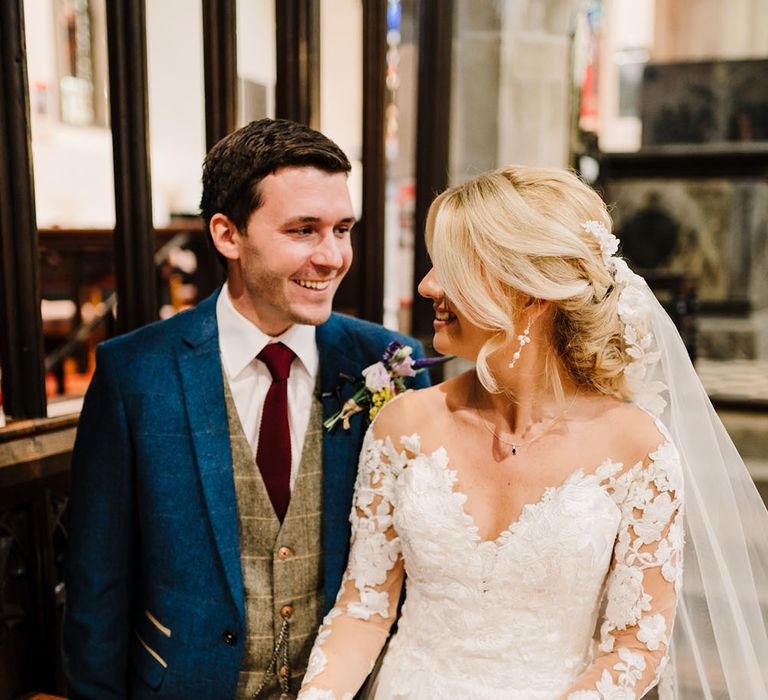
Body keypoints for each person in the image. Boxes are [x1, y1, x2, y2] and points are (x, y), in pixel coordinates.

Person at [298, 165, 768, 699]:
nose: (428, 284)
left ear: (531, 295)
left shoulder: (638, 451)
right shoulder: (403, 425)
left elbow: (635, 649)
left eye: (450, 266)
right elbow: (364, 609)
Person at [63, 118, 429, 700]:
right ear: (228, 235)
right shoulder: (135, 373)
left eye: (343, 228)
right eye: (303, 230)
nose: (332, 256)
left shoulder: (386, 362)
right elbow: (97, 582)